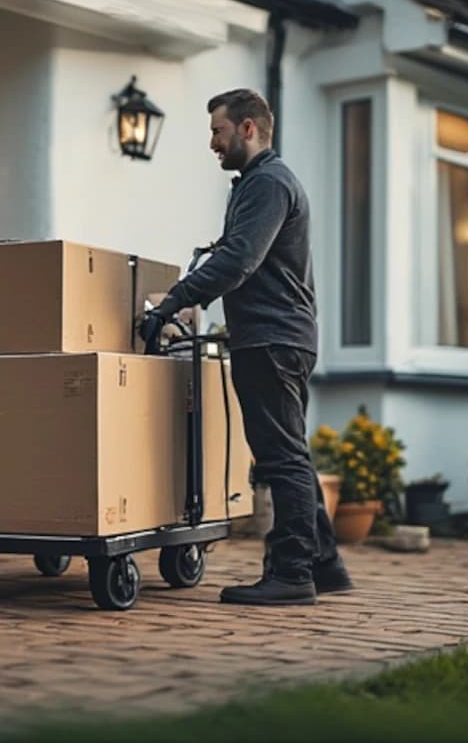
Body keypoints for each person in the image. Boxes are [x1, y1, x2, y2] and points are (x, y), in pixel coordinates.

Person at [141, 88, 352, 606]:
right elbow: (239, 260)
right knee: (290, 453)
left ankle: (292, 573)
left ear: (248, 129)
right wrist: (197, 302)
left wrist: (173, 303)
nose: (213, 142)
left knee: (281, 459)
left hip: (273, 339)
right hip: (277, 336)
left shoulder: (269, 183)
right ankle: (324, 565)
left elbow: (239, 260)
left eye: (218, 131)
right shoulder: (257, 185)